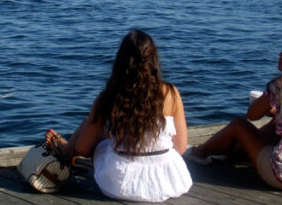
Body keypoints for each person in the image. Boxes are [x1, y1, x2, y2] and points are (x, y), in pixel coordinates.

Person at [45, 30, 192, 202]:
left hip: (122, 183)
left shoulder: (109, 95)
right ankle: (73, 146)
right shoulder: (171, 93)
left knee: (93, 130)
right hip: (170, 181)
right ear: (153, 60)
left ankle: (65, 149)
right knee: (111, 136)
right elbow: (180, 148)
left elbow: (84, 148)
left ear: (121, 61)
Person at [185, 32, 282, 191]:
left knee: (238, 125)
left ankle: (198, 153)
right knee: (276, 127)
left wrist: (266, 105)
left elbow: (253, 115)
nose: (280, 54)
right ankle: (224, 152)